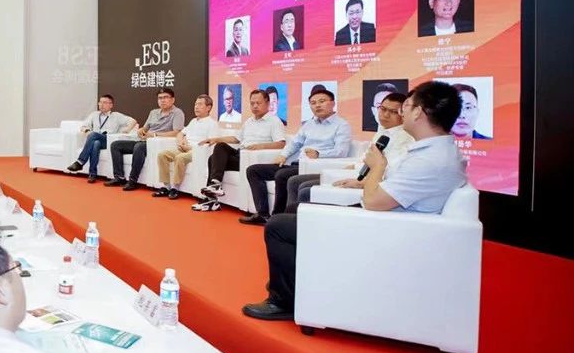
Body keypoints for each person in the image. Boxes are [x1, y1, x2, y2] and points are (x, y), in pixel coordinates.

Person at [243, 81, 468, 320]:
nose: (401, 112)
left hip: (381, 228)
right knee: (296, 208)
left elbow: (373, 201)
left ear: (418, 113)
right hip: (386, 218)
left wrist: (377, 166)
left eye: (407, 106)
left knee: (278, 226)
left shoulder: (429, 160)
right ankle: (294, 281)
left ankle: (283, 300)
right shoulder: (434, 151)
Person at [240, 85, 353, 225]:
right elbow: (295, 143)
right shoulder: (309, 124)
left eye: (322, 101)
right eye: (313, 103)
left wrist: (319, 154)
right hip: (297, 164)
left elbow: (341, 151)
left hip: (315, 167)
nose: (317, 105)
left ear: (333, 103)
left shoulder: (342, 125)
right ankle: (262, 214)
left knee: (282, 175)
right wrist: (283, 155)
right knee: (254, 170)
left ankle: (278, 217)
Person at [194, 89, 286, 212]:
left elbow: (281, 144)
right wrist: (215, 139)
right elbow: (236, 139)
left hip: (253, 158)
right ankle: (215, 188)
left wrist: (260, 146)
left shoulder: (274, 121)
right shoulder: (249, 121)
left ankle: (211, 199)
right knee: (219, 148)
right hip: (240, 155)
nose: (255, 106)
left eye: (258, 103)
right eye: (252, 103)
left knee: (212, 159)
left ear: (267, 103)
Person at [105, 89, 185, 190]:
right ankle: (119, 177)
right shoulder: (153, 112)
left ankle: (132, 180)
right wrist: (141, 131)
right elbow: (145, 128)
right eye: (160, 98)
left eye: (165, 97)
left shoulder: (177, 113)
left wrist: (154, 135)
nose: (162, 100)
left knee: (139, 147)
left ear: (172, 100)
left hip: (158, 143)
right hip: (144, 140)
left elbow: (176, 132)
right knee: (116, 145)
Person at [154, 94, 218, 199]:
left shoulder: (212, 124)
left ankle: (175, 188)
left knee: (180, 158)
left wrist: (190, 148)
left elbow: (210, 143)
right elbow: (181, 133)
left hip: (197, 152)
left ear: (208, 107)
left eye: (200, 104)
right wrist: (180, 142)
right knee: (162, 155)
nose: (196, 107)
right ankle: (166, 186)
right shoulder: (193, 121)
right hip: (183, 148)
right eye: (195, 104)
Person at [66, 94, 137, 183]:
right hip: (96, 139)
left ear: (111, 105)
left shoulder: (116, 116)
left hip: (108, 140)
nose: (101, 104)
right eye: (100, 102)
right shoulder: (94, 115)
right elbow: (84, 126)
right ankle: (92, 174)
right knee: (96, 143)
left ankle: (80, 162)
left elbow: (133, 121)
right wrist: (87, 131)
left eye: (105, 102)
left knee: (93, 136)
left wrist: (127, 130)